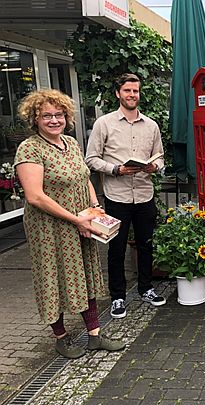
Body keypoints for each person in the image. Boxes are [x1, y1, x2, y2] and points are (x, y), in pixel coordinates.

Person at [14, 89, 125, 358]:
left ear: (66, 116)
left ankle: (94, 335)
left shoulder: (71, 143)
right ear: (35, 119)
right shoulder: (30, 148)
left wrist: (95, 208)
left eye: (59, 114)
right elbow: (35, 196)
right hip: (50, 228)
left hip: (81, 222)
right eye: (46, 116)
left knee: (85, 274)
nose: (54, 120)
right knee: (53, 277)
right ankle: (61, 337)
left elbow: (84, 177)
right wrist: (77, 219)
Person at [85, 73, 166, 319]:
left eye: (136, 91)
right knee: (116, 248)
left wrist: (156, 166)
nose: (132, 95)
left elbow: (160, 156)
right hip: (117, 196)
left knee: (146, 245)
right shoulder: (104, 124)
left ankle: (146, 288)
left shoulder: (151, 125)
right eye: (128, 90)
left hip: (144, 194)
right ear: (118, 93)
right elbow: (90, 159)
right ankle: (118, 296)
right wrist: (115, 169)